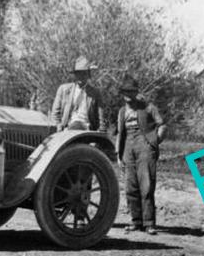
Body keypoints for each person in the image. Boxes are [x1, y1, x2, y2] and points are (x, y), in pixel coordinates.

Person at [115, 75, 167, 235]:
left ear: (136, 92)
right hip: (127, 148)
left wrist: (154, 142)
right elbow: (119, 133)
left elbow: (163, 125)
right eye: (125, 92)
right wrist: (118, 153)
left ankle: (149, 223)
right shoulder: (122, 111)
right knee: (130, 186)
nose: (128, 95)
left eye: (131, 91)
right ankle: (135, 221)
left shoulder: (148, 107)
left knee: (146, 185)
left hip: (145, 146)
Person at [48, 56, 104, 132]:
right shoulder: (64, 90)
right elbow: (55, 113)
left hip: (87, 129)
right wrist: (58, 125)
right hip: (67, 128)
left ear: (88, 75)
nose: (81, 76)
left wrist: (101, 130)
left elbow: (101, 117)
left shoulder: (95, 93)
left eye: (84, 73)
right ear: (75, 75)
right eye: (79, 73)